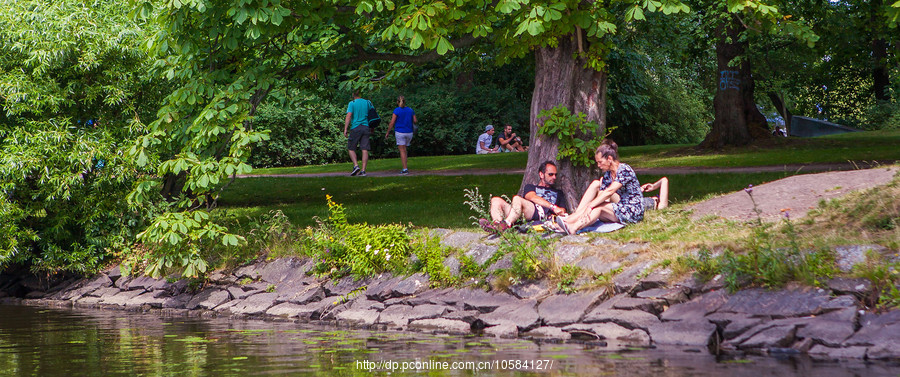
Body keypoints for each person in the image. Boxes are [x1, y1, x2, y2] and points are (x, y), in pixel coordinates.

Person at [554, 139, 643, 235]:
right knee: (595, 205)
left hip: (633, 210)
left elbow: (610, 191)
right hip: (621, 208)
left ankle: (573, 228)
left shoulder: (624, 169)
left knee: (597, 206)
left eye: (600, 162)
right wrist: (590, 206)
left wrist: (591, 206)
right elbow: (601, 195)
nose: (598, 165)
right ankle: (566, 223)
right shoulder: (608, 175)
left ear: (609, 158)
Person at [479, 160, 568, 233]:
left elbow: (562, 210)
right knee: (496, 200)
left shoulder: (558, 193)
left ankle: (505, 225)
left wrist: (558, 211)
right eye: (551, 174)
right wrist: (552, 207)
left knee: (517, 199)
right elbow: (531, 197)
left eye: (555, 175)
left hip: (540, 215)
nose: (554, 177)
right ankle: (497, 225)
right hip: (523, 212)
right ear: (541, 174)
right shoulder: (531, 187)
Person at [344, 91, 375, 177]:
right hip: (366, 127)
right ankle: (363, 170)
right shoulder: (367, 102)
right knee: (364, 148)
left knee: (351, 147)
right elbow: (372, 115)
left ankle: (356, 165)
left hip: (356, 127)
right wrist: (372, 127)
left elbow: (349, 115)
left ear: (353, 94)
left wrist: (345, 128)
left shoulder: (352, 103)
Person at [384, 95, 417, 175]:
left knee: (402, 151)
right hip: (409, 132)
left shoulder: (397, 110)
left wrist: (388, 132)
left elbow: (392, 122)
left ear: (397, 102)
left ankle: (405, 169)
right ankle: (405, 166)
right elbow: (415, 120)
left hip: (400, 132)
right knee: (404, 150)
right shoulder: (410, 110)